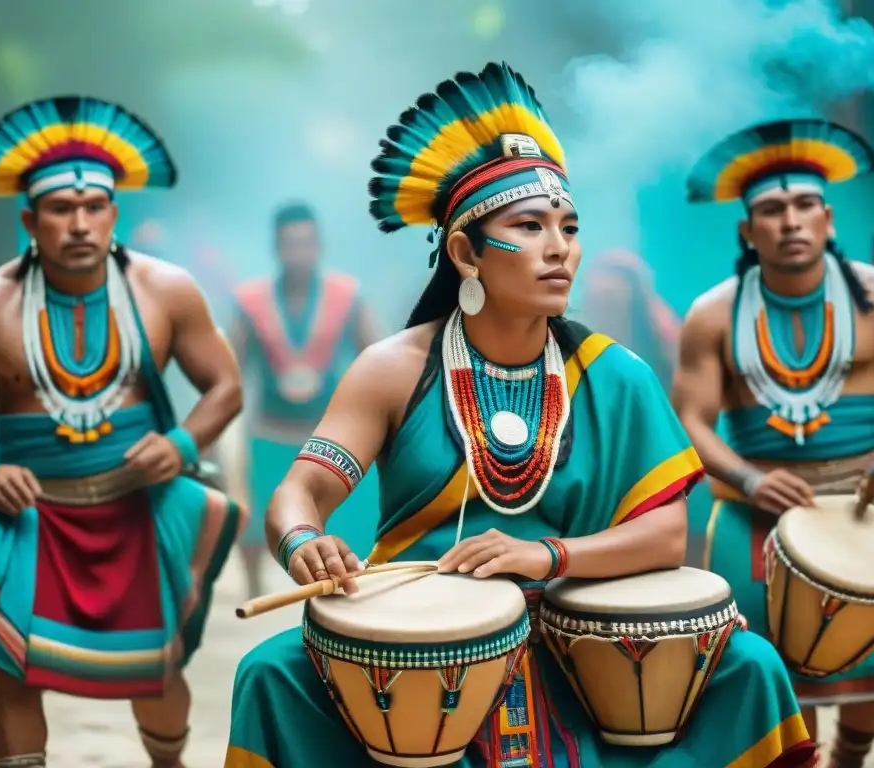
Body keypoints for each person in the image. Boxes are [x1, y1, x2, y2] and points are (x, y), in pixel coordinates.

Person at [223, 62, 816, 768]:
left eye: (568, 226)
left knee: (751, 666)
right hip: (417, 638)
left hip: (579, 634)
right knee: (267, 674)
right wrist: (300, 539)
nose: (558, 247)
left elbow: (664, 533)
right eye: (529, 227)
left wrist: (545, 556)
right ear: (467, 252)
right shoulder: (396, 368)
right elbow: (304, 487)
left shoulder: (614, 375)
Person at [0, 96, 247, 768]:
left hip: (139, 505)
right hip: (29, 511)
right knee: (16, 665)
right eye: (61, 211)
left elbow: (226, 387)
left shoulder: (167, 290)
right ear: (29, 220)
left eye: (94, 207)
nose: (79, 224)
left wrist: (181, 446)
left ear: (113, 214)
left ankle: (169, 764)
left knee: (157, 662)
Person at [675, 118, 874, 767]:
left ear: (828, 219)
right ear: (746, 230)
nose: (789, 222)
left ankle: (850, 758)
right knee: (769, 664)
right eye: (770, 209)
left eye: (803, 206)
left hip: (868, 506)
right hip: (751, 510)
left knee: (872, 662)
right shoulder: (713, 314)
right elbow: (692, 422)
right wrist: (750, 480)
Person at [228, 202, 380, 597]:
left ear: (319, 245)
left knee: (346, 511)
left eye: (306, 242)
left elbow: (377, 357)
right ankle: (254, 588)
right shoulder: (250, 300)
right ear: (276, 247)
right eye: (290, 243)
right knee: (261, 508)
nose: (299, 252)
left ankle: (349, 578)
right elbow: (231, 369)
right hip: (270, 428)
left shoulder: (346, 295)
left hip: (327, 434)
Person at [580, 248, 680, 392]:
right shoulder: (577, 339)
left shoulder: (663, 333)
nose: (603, 307)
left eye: (609, 297)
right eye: (595, 299)